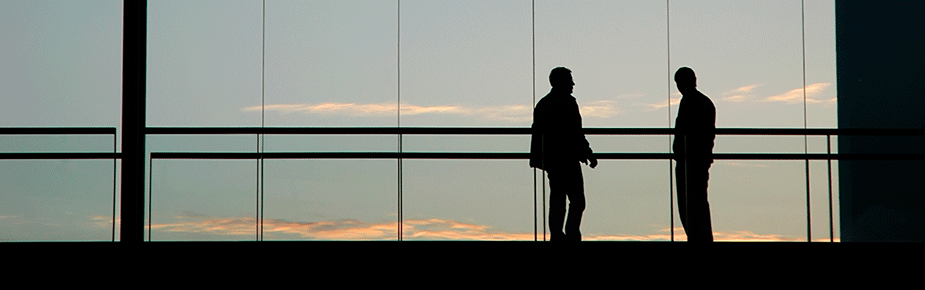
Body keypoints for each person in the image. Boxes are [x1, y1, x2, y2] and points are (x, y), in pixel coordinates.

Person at [530, 67, 597, 241]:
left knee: (558, 199)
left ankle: (558, 235)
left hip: (553, 160)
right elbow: (575, 132)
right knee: (577, 200)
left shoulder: (544, 103)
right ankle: (571, 232)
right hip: (567, 159)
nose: (573, 83)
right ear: (561, 81)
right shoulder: (567, 102)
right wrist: (587, 153)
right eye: (569, 80)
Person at [672, 67, 716, 242]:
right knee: (697, 203)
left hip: (690, 162)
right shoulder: (705, 102)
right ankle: (701, 238)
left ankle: (698, 239)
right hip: (698, 161)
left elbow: (685, 131)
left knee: (689, 205)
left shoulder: (690, 102)